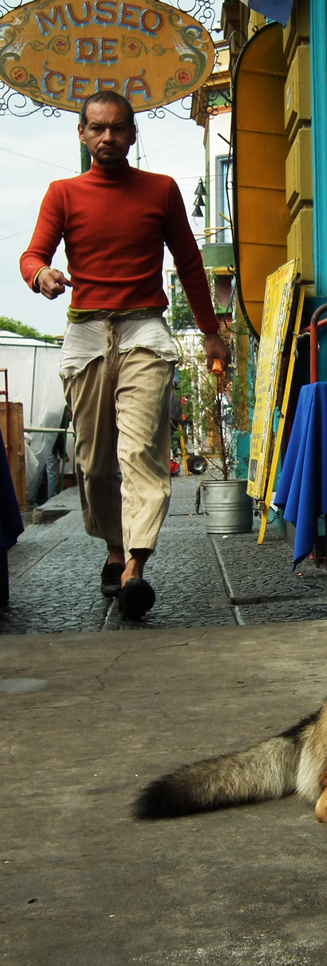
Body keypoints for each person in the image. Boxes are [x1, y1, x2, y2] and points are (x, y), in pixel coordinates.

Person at [20, 91, 230, 619]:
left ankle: (136, 565)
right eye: (97, 128)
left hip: (144, 332)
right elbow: (33, 254)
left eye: (118, 128)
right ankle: (114, 549)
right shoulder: (62, 193)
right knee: (92, 464)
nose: (108, 137)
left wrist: (210, 333)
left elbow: (188, 263)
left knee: (140, 454)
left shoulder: (160, 190)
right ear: (83, 135)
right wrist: (40, 275)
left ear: (133, 135)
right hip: (85, 336)